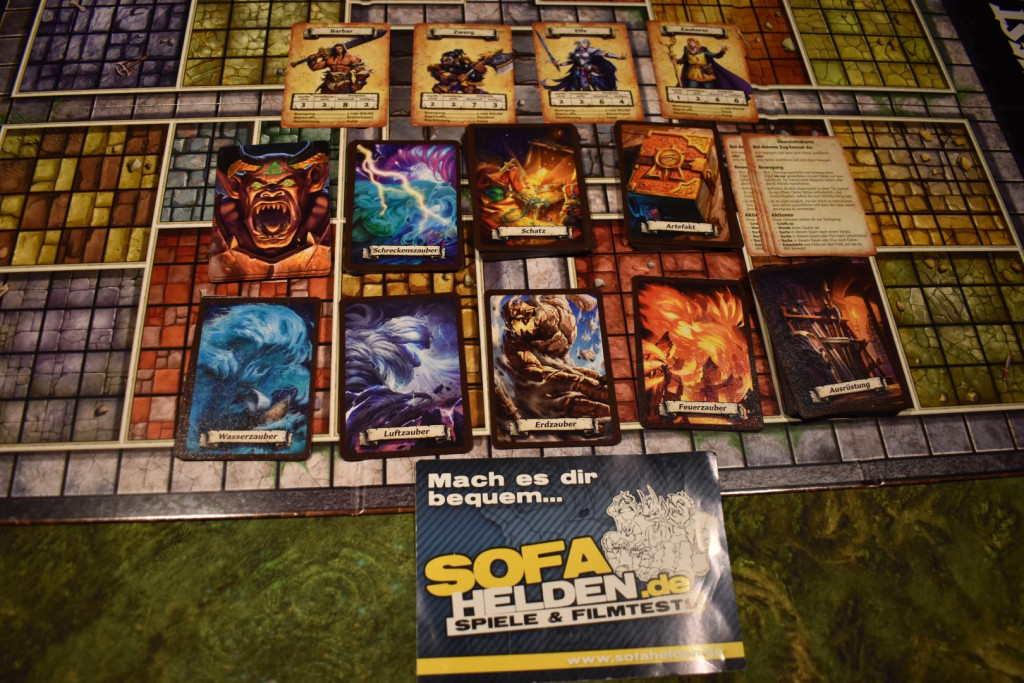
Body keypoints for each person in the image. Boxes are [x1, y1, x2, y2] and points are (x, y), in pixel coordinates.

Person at [543, 39, 621, 91]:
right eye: (584, 42)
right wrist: (559, 64)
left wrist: (617, 57)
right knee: (582, 87)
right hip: (580, 72)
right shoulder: (575, 53)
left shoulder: (591, 50)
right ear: (580, 43)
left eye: (587, 43)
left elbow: (604, 54)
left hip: (591, 71)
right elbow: (572, 62)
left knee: (598, 88)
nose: (587, 44)